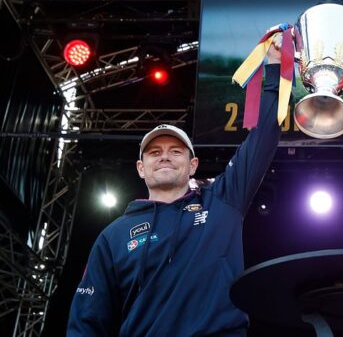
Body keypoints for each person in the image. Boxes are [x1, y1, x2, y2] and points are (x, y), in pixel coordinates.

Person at [67, 39, 284, 336]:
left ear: (193, 165)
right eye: (154, 153)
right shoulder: (114, 235)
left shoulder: (221, 201)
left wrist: (272, 68)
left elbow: (264, 136)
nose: (165, 156)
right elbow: (86, 321)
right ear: (141, 169)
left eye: (176, 150)